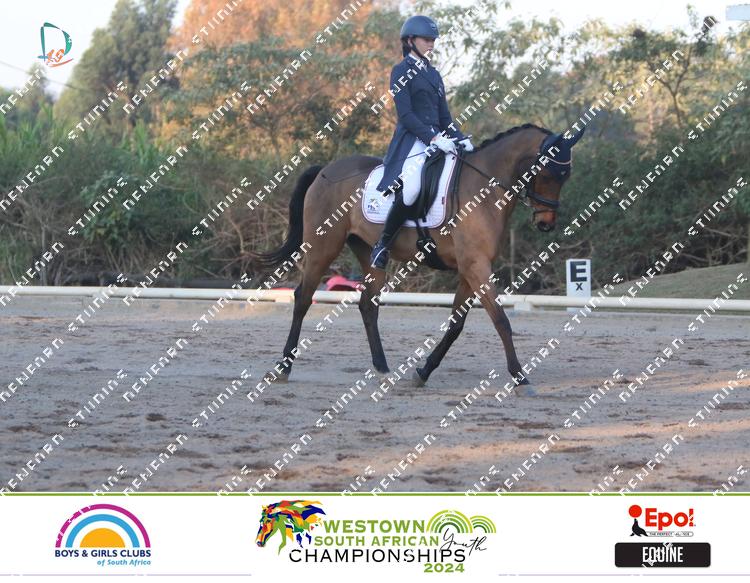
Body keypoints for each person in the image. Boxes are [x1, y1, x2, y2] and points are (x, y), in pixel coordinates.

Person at [370, 15, 475, 270]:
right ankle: (382, 244)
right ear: (410, 41)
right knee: (412, 187)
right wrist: (433, 138)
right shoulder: (400, 71)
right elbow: (406, 115)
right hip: (412, 140)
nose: (431, 44)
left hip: (440, 139)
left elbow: (444, 117)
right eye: (427, 39)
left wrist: (461, 138)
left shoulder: (434, 75)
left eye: (433, 40)